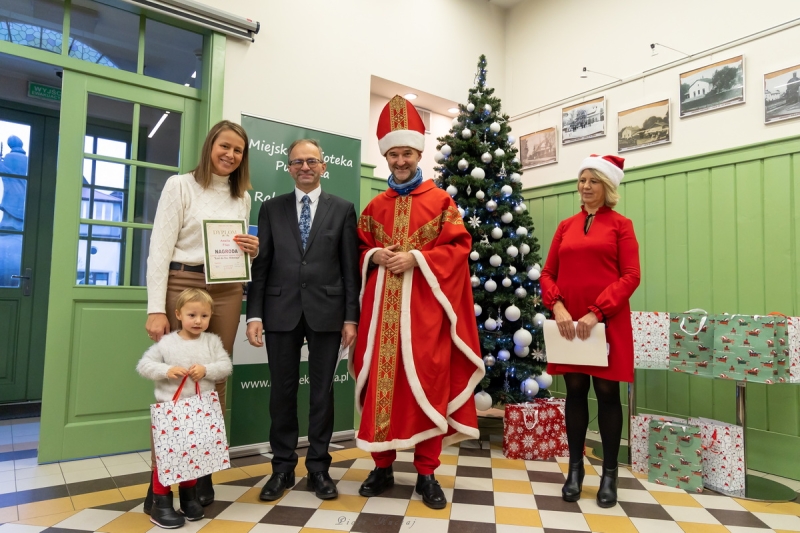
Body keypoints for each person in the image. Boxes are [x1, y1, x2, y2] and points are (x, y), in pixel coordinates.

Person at [351, 95, 485, 510]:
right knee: (380, 388)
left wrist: (418, 258)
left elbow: (460, 249)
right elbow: (358, 249)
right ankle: (382, 466)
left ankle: (427, 473)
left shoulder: (442, 202)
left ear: (418, 152)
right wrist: (374, 256)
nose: (400, 160)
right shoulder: (375, 206)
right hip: (380, 318)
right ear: (386, 156)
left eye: (406, 152)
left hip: (425, 316)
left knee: (426, 383)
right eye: (393, 154)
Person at [144, 120, 258, 510]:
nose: (230, 155)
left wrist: (250, 249)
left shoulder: (242, 196)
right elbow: (159, 248)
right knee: (177, 386)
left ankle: (199, 469)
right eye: (224, 146)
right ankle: (160, 485)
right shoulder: (180, 186)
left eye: (238, 151)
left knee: (213, 379)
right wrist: (156, 308)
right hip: (183, 284)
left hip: (226, 290)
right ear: (210, 146)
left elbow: (235, 249)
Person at [246, 139, 359, 502]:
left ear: (324, 167)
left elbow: (349, 270)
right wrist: (255, 314)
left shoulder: (342, 209)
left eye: (312, 161)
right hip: (280, 312)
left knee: (323, 393)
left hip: (328, 312)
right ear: (289, 168)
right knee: (282, 393)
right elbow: (261, 268)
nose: (305, 167)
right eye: (298, 162)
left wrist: (350, 318)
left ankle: (319, 469)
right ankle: (282, 468)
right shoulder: (271, 208)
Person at [539, 154, 640, 508]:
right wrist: (558, 305)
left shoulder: (621, 225)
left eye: (592, 180)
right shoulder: (566, 226)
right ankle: (575, 470)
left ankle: (610, 475)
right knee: (576, 391)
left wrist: (598, 312)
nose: (585, 186)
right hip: (569, 325)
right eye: (581, 180)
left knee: (608, 394)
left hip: (606, 324)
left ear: (607, 186)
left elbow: (631, 276)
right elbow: (547, 273)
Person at [137, 288, 233, 529]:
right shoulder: (167, 343)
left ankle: (188, 499)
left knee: (193, 456)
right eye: (192, 315)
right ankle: (161, 503)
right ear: (178, 314)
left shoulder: (212, 342)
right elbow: (144, 365)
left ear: (211, 315)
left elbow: (226, 366)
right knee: (167, 458)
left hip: (200, 410)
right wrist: (165, 371)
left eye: (204, 316)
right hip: (171, 410)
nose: (198, 321)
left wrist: (207, 370)